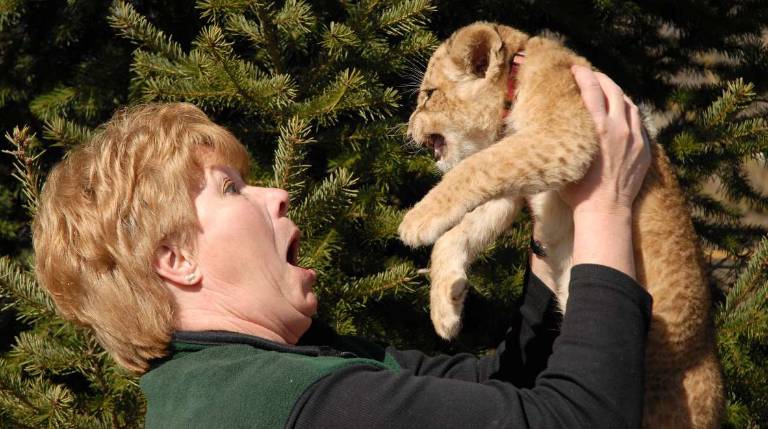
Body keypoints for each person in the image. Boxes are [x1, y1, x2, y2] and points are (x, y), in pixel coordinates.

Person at [33, 65, 652, 428]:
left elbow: (503, 388)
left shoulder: (266, 374)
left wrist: (552, 224)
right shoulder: (286, 403)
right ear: (176, 259)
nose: (276, 195)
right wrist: (605, 208)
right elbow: (578, 417)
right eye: (230, 189)